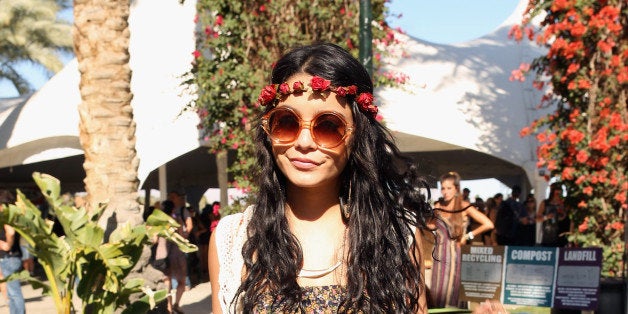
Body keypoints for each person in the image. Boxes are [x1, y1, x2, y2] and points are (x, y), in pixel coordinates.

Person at [208, 42, 436, 313]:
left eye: (328, 126)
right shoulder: (233, 239)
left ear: (358, 137)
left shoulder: (397, 238)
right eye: (287, 123)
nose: (304, 142)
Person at [427, 171, 494, 308]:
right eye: (443, 188)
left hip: (456, 256)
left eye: (449, 188)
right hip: (439, 256)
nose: (445, 192)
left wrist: (468, 236)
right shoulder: (438, 206)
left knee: (455, 294)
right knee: (438, 293)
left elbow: (488, 224)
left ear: (456, 189)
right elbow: (431, 226)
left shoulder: (464, 206)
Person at [161, 200, 187, 314]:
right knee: (181, 281)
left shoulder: (159, 221)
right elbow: (181, 235)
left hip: (162, 254)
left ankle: (169, 308)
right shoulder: (177, 220)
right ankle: (176, 304)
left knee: (167, 282)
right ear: (173, 209)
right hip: (177, 253)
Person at [0, 191, 25, 314]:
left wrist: (7, 245)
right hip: (11, 258)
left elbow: (10, 232)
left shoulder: (7, 217)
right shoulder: (13, 216)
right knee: (11, 292)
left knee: (14, 293)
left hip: (9, 258)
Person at [537, 183, 565, 247]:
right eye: (556, 190)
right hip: (546, 236)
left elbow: (563, 218)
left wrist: (561, 213)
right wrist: (546, 217)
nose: (558, 192)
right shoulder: (545, 203)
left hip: (559, 236)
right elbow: (537, 218)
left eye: (559, 190)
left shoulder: (562, 203)